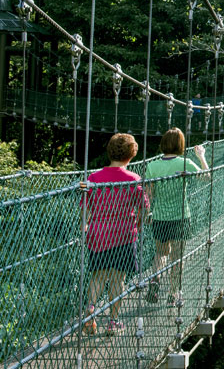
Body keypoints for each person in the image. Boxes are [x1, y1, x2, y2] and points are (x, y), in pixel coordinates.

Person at [81, 133, 148, 336]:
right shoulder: (133, 179)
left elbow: (84, 209)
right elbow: (144, 209)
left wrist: (85, 226)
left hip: (98, 235)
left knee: (98, 277)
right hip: (124, 235)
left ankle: (91, 310)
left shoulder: (93, 178)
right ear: (131, 154)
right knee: (118, 279)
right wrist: (137, 223)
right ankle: (113, 322)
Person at [143, 128, 209, 306]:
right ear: (181, 145)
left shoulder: (152, 166)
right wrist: (201, 155)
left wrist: (148, 213)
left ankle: (155, 279)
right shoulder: (184, 163)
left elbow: (148, 195)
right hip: (180, 217)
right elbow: (206, 176)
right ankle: (174, 293)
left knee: (160, 253)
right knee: (177, 257)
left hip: (160, 216)